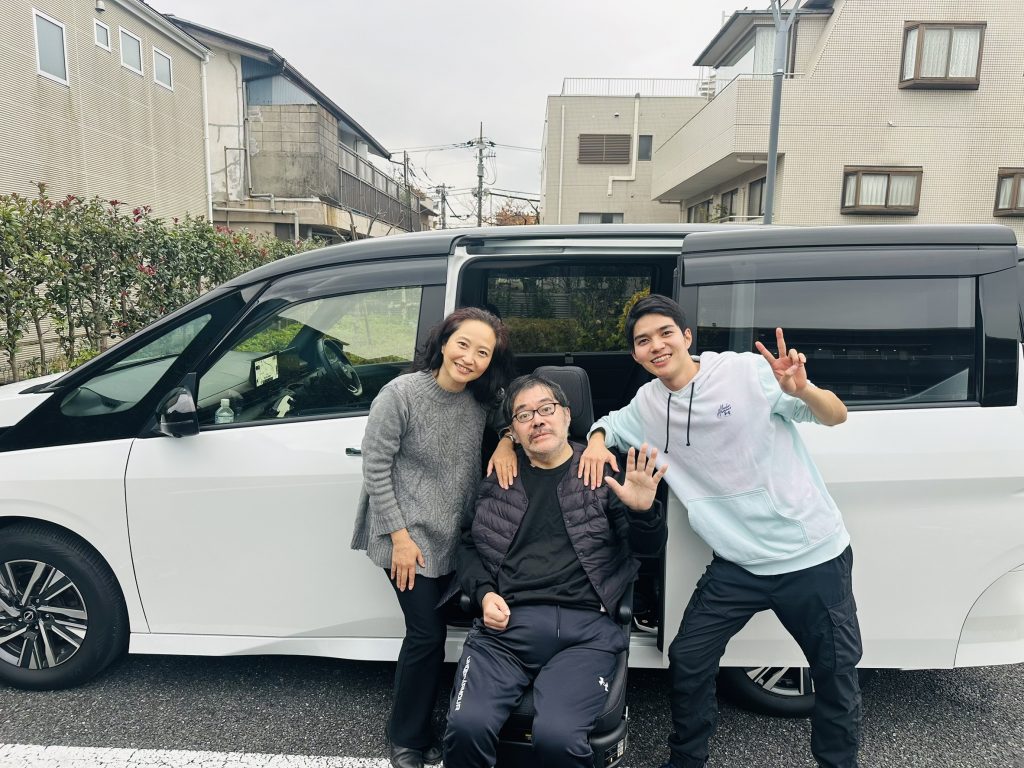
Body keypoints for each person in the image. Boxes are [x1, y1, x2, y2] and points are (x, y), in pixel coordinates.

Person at [579, 294, 862, 768]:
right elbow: (611, 423)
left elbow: (836, 415)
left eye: (666, 333)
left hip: (811, 554)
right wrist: (596, 440)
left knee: (834, 673)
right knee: (689, 657)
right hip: (738, 563)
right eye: (643, 341)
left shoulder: (744, 372)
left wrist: (802, 390)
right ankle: (687, 760)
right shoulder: (648, 403)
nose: (656, 345)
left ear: (687, 337)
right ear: (636, 355)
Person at [444, 373, 667, 768]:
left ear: (566, 415)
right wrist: (484, 594)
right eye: (524, 414)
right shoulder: (499, 478)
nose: (537, 420)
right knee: (466, 727)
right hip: (506, 628)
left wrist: (643, 512)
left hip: (586, 631)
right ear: (513, 431)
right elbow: (469, 545)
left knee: (558, 737)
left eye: (546, 409)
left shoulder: (601, 472)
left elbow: (646, 549)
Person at [351, 307, 518, 768]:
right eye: (463, 344)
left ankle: (455, 719)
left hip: (454, 535)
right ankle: (406, 736)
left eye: (482, 352)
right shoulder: (401, 393)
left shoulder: (480, 399)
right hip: (405, 536)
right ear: (444, 343)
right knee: (427, 635)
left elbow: (511, 417)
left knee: (447, 630)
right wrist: (400, 539)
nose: (469, 358)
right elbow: (375, 468)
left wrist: (506, 439)